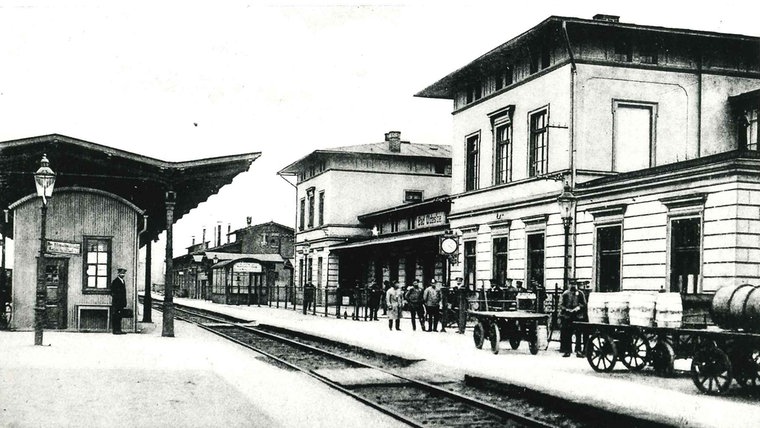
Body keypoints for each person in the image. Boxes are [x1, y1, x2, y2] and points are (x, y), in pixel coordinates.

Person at [560, 281, 587, 357]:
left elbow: (584, 304)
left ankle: (578, 350)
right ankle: (567, 350)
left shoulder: (580, 293)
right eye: (571, 284)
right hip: (568, 316)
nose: (573, 286)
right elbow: (561, 304)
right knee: (567, 334)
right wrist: (566, 309)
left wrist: (578, 308)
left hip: (578, 316)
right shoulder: (565, 294)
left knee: (578, 334)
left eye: (574, 284)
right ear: (569, 285)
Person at [111, 267, 127, 335]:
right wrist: (117, 299)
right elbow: (112, 292)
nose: (122, 274)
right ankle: (115, 330)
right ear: (118, 273)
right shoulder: (115, 281)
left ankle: (119, 330)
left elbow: (124, 293)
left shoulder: (122, 281)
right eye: (121, 273)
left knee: (119, 316)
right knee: (116, 316)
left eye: (123, 273)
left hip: (121, 302)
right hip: (117, 302)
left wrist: (124, 302)